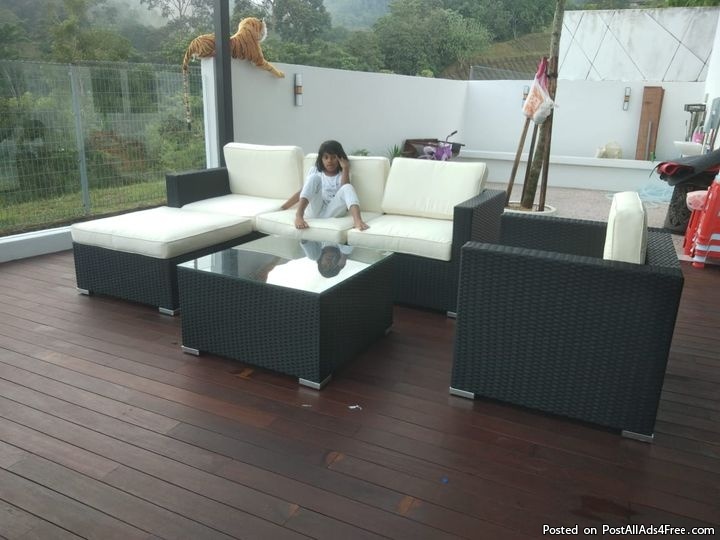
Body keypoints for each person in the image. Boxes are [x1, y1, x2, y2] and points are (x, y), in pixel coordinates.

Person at [294, 140, 369, 231]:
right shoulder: (315, 170)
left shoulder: (343, 174)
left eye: (334, 157)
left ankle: (358, 221)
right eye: (326, 157)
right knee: (314, 178)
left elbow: (346, 193)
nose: (329, 161)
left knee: (347, 187)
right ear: (321, 159)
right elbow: (305, 191)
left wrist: (345, 168)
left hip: (332, 211)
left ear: (340, 158)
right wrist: (283, 207)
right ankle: (299, 216)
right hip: (315, 210)